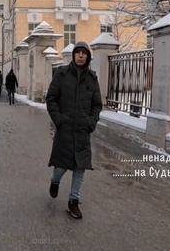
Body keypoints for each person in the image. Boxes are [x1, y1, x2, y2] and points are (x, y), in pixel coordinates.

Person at [45, 42, 102, 219]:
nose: (80, 56)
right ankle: (55, 181)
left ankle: (73, 202)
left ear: (88, 57)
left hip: (83, 131)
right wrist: (59, 120)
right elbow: (51, 98)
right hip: (65, 129)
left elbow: (97, 105)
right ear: (73, 55)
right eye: (77, 52)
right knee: (61, 166)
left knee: (80, 168)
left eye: (84, 53)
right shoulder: (62, 74)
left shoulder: (92, 79)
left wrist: (91, 122)